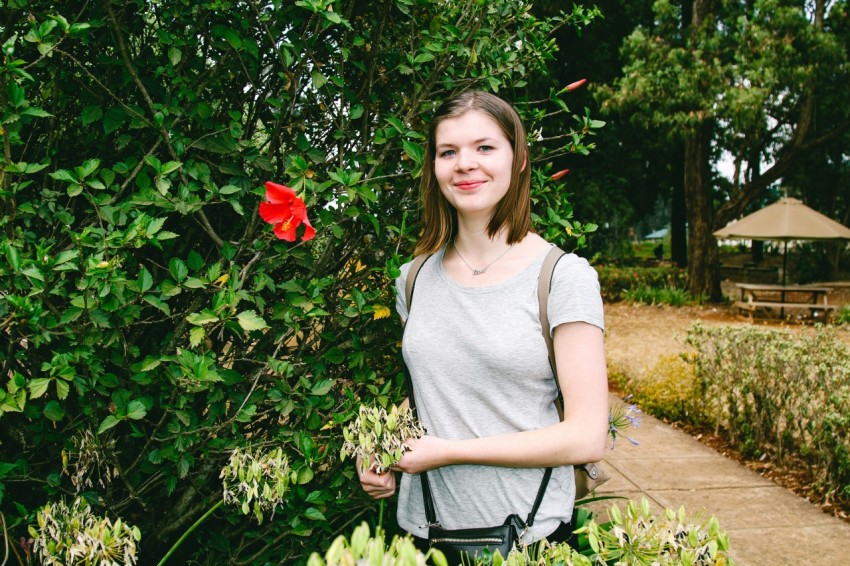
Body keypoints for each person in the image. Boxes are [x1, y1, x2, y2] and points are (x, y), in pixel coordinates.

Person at [357, 90, 608, 548]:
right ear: (433, 168)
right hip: (422, 538)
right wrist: (380, 448)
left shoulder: (561, 278)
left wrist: (446, 454)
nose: (465, 164)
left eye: (485, 147)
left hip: (528, 540)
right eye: (448, 151)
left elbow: (588, 436)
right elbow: (434, 392)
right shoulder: (413, 279)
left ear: (519, 159)